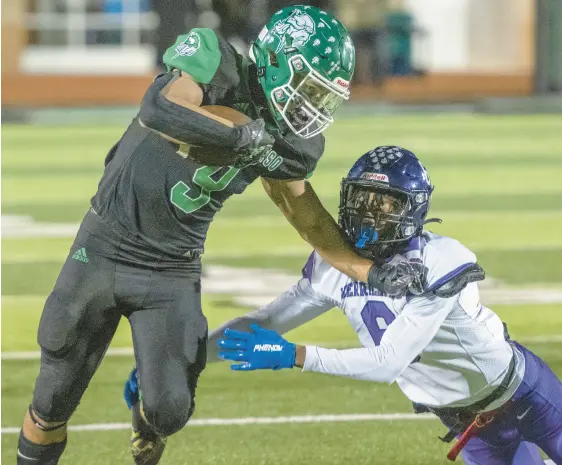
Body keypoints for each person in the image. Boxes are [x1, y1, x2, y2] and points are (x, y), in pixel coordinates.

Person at [17, 6, 425, 465]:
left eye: (324, 96)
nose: (313, 106)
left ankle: (146, 416)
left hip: (172, 268)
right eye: (309, 87)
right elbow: (159, 109)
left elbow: (302, 212)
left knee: (170, 408)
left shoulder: (293, 143)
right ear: (275, 61)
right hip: (106, 243)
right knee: (53, 395)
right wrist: (239, 138)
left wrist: (369, 272)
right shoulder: (216, 61)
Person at [215, 146, 562, 465]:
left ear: (413, 208)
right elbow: (268, 320)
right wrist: (188, 355)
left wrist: (294, 355)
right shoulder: (332, 267)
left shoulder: (437, 259)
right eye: (361, 198)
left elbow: (387, 362)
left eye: (385, 202)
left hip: (524, 394)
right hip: (466, 420)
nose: (369, 212)